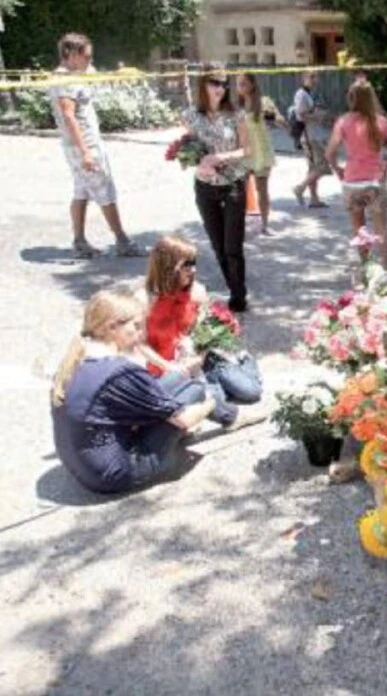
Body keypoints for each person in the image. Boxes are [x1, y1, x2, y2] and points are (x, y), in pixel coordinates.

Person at [50, 290, 216, 494]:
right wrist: (211, 403)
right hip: (115, 473)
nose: (140, 334)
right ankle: (221, 415)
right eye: (136, 327)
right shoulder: (120, 371)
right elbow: (185, 419)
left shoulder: (78, 359)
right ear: (112, 327)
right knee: (194, 393)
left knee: (176, 380)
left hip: (80, 465)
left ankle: (226, 415)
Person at [139, 235, 264, 427]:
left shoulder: (197, 291)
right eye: (186, 265)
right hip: (165, 367)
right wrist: (169, 367)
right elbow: (140, 344)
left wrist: (199, 356)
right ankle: (217, 386)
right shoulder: (144, 299)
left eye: (194, 263)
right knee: (214, 400)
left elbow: (206, 330)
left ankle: (243, 360)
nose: (193, 270)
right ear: (168, 267)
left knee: (252, 391)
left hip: (200, 358)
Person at [48, 33, 145, 259]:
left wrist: (119, 74)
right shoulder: (65, 79)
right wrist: (85, 152)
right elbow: (69, 115)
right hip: (84, 145)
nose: (90, 61)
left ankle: (79, 242)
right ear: (71, 55)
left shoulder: (74, 73)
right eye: (86, 56)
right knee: (105, 191)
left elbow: (94, 75)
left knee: (81, 191)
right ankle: (122, 241)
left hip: (80, 145)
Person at [183, 64, 251, 313]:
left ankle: (238, 295)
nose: (220, 88)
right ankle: (232, 286)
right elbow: (187, 148)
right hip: (204, 187)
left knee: (233, 246)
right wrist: (197, 160)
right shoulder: (190, 115)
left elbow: (247, 149)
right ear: (203, 84)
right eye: (215, 83)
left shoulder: (236, 114)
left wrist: (221, 157)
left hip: (233, 185)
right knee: (218, 245)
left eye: (224, 83)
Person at [325, 80, 387, 270]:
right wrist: (386, 166)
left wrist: (338, 169)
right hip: (376, 181)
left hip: (352, 182)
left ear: (351, 98)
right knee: (381, 230)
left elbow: (329, 153)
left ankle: (367, 269)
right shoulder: (380, 121)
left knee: (359, 229)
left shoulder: (343, 121)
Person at [236, 73, 285, 236]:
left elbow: (281, 121)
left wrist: (275, 117)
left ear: (252, 84)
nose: (240, 87)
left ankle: (265, 225)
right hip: (243, 153)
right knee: (239, 191)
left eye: (243, 83)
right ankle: (239, 226)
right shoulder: (237, 107)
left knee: (262, 189)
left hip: (262, 151)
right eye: (238, 84)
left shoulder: (264, 102)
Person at [291, 71, 331, 209]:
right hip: (309, 136)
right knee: (322, 166)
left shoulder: (307, 94)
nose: (314, 80)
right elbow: (301, 115)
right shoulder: (301, 94)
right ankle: (300, 188)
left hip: (312, 134)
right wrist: (319, 115)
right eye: (311, 77)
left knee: (313, 167)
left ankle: (314, 199)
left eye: (315, 76)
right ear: (304, 78)